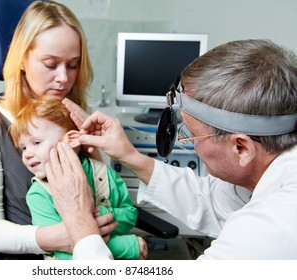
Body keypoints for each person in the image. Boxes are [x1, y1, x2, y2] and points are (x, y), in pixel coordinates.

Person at [47, 39, 297, 259]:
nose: (186, 141)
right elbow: (210, 200)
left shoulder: (272, 228)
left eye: (191, 134)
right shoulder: (274, 170)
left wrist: (79, 223)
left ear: (241, 148)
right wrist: (128, 155)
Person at [0, 1, 116, 259]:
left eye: (72, 65)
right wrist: (59, 237)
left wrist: (97, 154)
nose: (64, 78)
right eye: (50, 64)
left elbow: (107, 194)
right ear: (22, 60)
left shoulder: (76, 118)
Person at [10, 99, 148, 260]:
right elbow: (65, 252)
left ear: (71, 140)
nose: (27, 154)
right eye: (23, 147)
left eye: (36, 142)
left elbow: (130, 216)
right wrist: (128, 247)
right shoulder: (38, 195)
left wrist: (101, 214)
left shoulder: (103, 172)